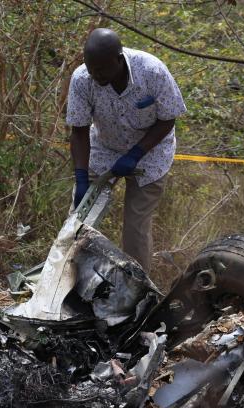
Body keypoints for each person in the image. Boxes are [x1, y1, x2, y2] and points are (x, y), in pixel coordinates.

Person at [66, 28, 186, 273]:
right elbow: (78, 131)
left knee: (135, 227)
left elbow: (168, 119)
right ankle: (70, 280)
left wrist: (135, 154)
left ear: (119, 59)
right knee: (79, 219)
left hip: (151, 152)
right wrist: (80, 178)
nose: (95, 75)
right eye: (91, 69)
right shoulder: (82, 79)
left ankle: (138, 289)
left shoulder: (151, 71)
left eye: (100, 69)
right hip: (104, 147)